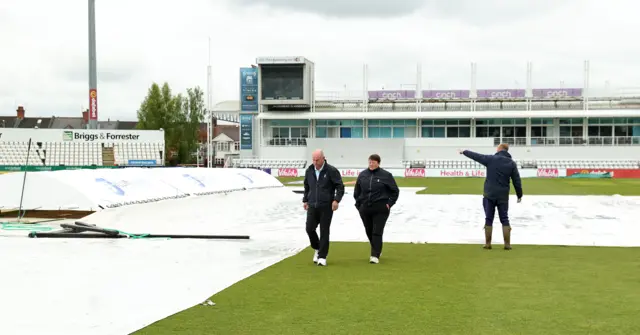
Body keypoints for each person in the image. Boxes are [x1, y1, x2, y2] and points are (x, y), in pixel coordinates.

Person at [458, 143, 523, 250]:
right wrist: (519, 194)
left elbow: (477, 156)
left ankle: (488, 244)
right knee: (504, 218)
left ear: (499, 149)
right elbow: (517, 181)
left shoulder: (491, 159)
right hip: (503, 195)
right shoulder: (511, 163)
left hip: (489, 194)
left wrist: (464, 152)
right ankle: (507, 244)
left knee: (489, 218)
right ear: (507, 151)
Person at [353, 154, 399, 264]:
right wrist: (358, 204)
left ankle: (374, 255)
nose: (371, 164)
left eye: (373, 162)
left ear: (378, 163)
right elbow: (357, 191)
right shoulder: (363, 175)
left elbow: (395, 191)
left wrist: (389, 203)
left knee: (377, 231)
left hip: (380, 207)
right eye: (370, 162)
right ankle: (377, 248)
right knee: (368, 230)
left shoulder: (386, 175)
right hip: (365, 207)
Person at [302, 149, 345, 266]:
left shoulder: (331, 171)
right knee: (309, 228)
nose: (315, 162)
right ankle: (317, 247)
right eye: (313, 160)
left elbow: (340, 186)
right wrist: (305, 200)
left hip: (326, 206)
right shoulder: (309, 170)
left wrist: (336, 200)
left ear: (323, 158)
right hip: (312, 205)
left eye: (317, 160)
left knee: (324, 231)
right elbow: (307, 186)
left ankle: (322, 256)